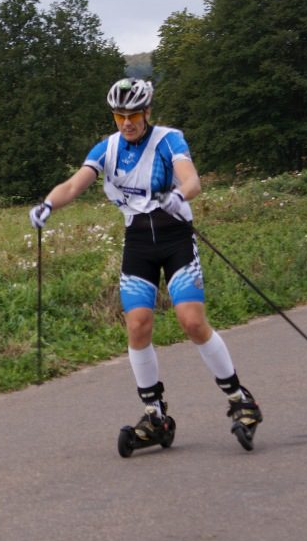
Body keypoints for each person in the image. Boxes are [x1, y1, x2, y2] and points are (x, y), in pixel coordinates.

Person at [29, 77, 263, 451]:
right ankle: (156, 416)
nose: (126, 122)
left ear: (147, 112)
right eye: (119, 115)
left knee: (191, 321)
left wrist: (178, 195)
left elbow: (193, 181)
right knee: (137, 326)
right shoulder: (107, 148)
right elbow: (74, 185)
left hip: (175, 238)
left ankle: (241, 401)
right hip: (138, 242)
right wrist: (48, 205)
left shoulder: (169, 139)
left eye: (133, 115)